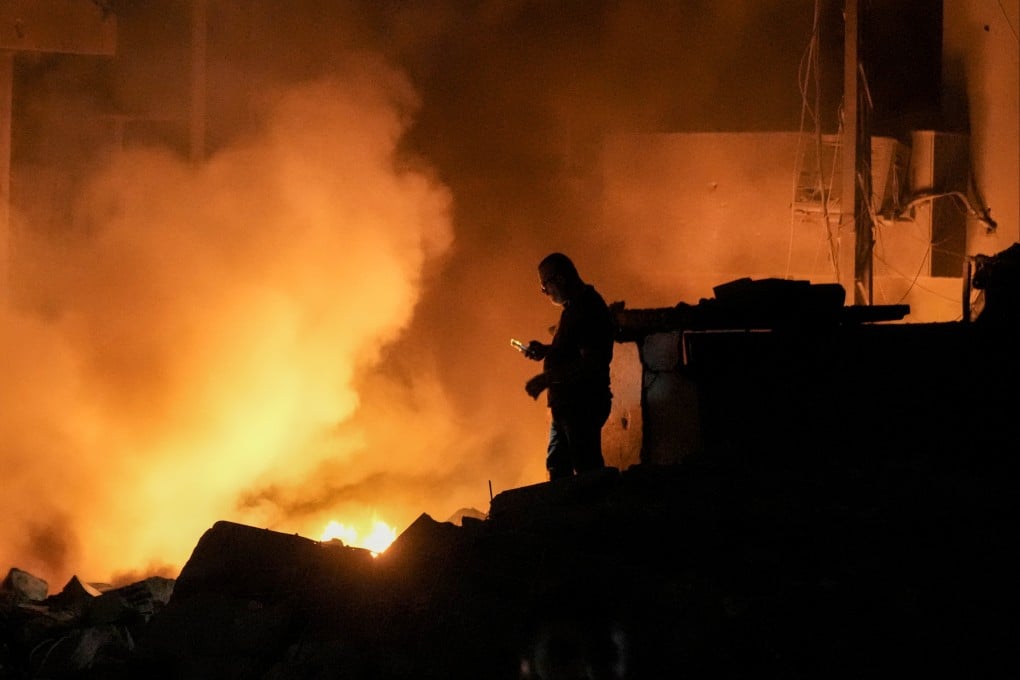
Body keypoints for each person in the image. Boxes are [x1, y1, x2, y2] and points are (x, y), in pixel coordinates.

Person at [519, 252, 615, 480]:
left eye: (545, 286)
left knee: (586, 468)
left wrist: (547, 379)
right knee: (558, 466)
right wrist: (546, 350)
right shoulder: (573, 309)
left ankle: (595, 513)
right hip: (566, 407)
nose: (545, 293)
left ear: (560, 279)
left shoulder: (588, 309)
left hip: (582, 404)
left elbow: (591, 362)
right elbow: (572, 351)